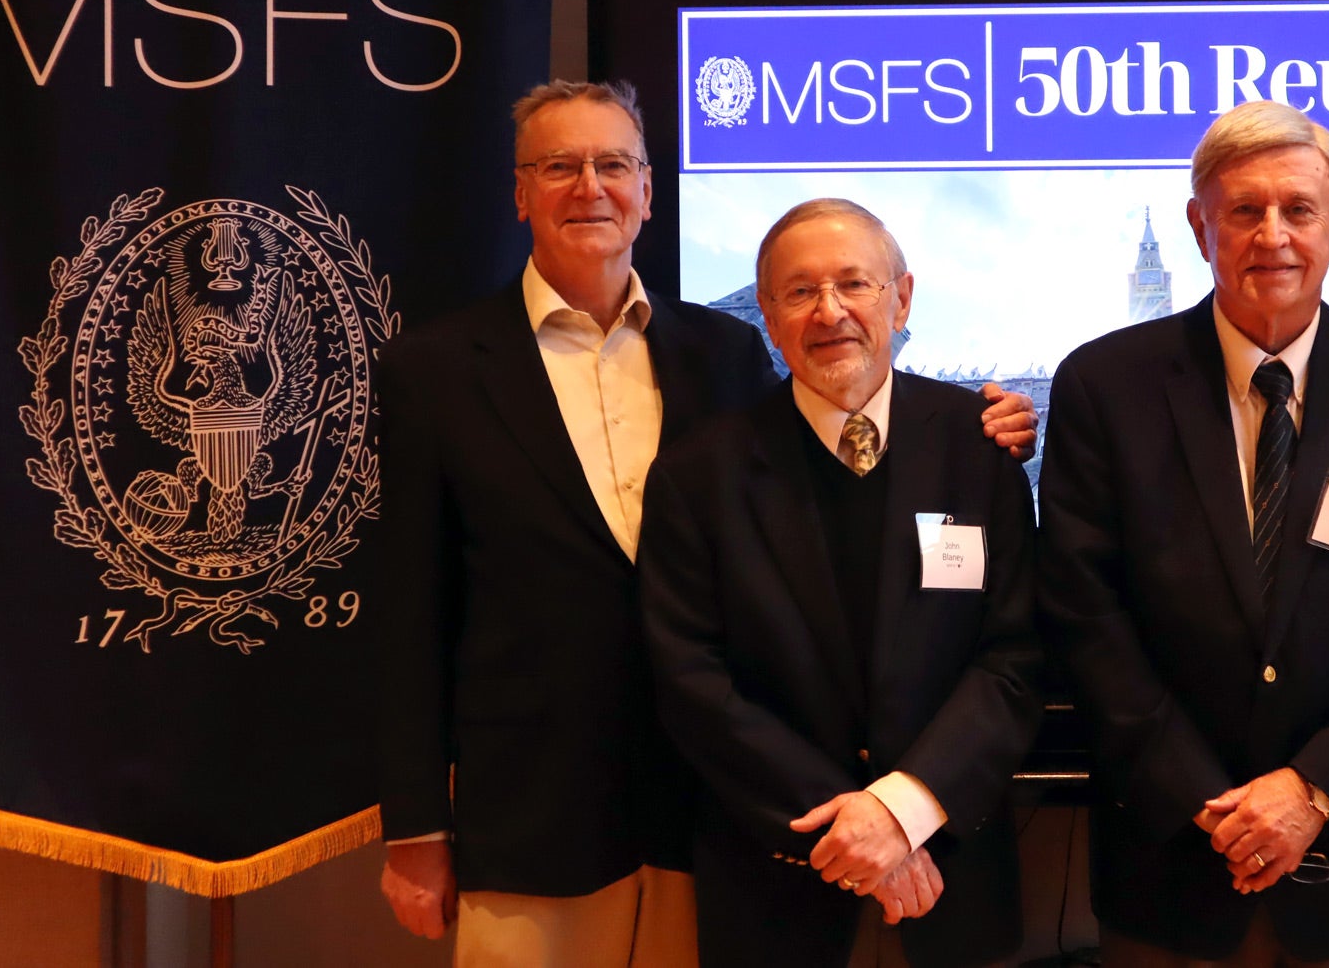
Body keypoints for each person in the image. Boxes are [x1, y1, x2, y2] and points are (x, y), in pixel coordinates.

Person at [374, 83, 1037, 966]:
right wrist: (414, 823)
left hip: (712, 816)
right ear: (520, 191)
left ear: (649, 190)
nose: (591, 186)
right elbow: (408, 611)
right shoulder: (437, 368)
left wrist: (987, 428)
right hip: (541, 808)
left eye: (614, 164)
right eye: (560, 166)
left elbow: (834, 520)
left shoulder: (716, 354)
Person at [1038, 101, 1329, 968]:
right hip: (1172, 863)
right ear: (1201, 227)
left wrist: (1314, 790)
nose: (1271, 234)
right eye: (1244, 210)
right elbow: (1085, 616)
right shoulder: (1104, 386)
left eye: (1299, 209)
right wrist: (1208, 800)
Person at [640, 198, 1045, 968]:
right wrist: (850, 830)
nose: (830, 312)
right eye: (799, 292)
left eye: (855, 284)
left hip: (952, 875)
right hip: (776, 880)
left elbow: (1014, 659)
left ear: (901, 297)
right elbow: (691, 679)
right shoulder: (700, 472)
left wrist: (901, 812)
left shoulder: (980, 447)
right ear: (767, 312)